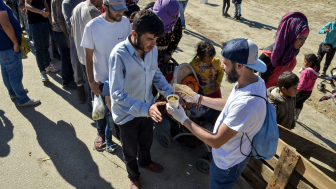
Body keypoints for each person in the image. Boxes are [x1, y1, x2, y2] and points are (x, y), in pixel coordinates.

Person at [167, 38, 267, 189]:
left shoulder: (247, 104)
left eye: (225, 63)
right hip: (232, 153)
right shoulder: (254, 80)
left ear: (239, 65)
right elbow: (231, 104)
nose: (221, 66)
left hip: (227, 162)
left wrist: (182, 118)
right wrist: (198, 98)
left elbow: (215, 141)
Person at [109, 9, 174, 189]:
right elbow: (117, 94)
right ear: (135, 34)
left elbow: (155, 73)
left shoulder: (151, 50)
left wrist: (169, 93)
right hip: (127, 113)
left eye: (156, 40)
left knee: (146, 141)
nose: (154, 44)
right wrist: (147, 109)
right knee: (129, 150)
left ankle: (145, 162)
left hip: (147, 107)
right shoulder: (118, 55)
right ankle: (134, 176)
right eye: (149, 39)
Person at [81, 0, 130, 151]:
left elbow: (130, 48)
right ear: (105, 8)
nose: (120, 13)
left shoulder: (125, 22)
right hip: (101, 79)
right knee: (101, 110)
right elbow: (88, 57)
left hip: (122, 79)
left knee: (119, 110)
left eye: (122, 9)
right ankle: (100, 134)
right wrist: (91, 81)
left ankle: (117, 133)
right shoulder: (92, 27)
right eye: (117, 10)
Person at [0, 0, 40, 106]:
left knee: (6, 70)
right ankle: (22, 99)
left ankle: (13, 92)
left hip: (3, 46)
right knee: (14, 73)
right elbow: (6, 25)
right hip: (7, 45)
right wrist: (15, 43)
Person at [259, 12, 309, 88]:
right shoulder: (270, 54)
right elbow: (250, 73)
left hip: (277, 92)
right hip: (263, 93)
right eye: (301, 38)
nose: (303, 42)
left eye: (305, 38)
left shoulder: (293, 51)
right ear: (290, 35)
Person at [70, 0, 102, 108]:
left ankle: (90, 105)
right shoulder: (93, 11)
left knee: (90, 83)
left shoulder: (76, 8)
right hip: (93, 57)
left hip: (81, 54)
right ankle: (95, 109)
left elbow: (73, 32)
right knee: (96, 87)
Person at [26, 0, 60, 82]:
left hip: (44, 22)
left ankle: (47, 65)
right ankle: (42, 71)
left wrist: (50, 19)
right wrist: (40, 12)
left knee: (46, 46)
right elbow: (27, 5)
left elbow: (45, 4)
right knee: (39, 48)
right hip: (35, 23)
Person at [62, 0, 86, 103]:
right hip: (75, 36)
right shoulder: (67, 3)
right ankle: (80, 86)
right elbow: (69, 24)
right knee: (76, 62)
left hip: (89, 34)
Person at [51, 0, 76, 89]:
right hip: (62, 32)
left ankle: (72, 78)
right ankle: (66, 81)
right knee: (66, 58)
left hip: (65, 31)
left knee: (70, 56)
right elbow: (60, 19)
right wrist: (68, 37)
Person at [295, 54, 321, 120]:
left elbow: (302, 85)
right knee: (300, 103)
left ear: (310, 63)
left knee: (293, 102)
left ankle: (290, 115)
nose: (303, 63)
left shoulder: (306, 72)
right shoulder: (315, 71)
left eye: (305, 61)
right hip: (308, 93)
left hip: (300, 92)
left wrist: (295, 91)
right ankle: (296, 116)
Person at [101, 80, 117, 153]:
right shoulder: (108, 83)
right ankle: (108, 141)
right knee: (110, 126)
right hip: (111, 109)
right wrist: (112, 112)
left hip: (121, 109)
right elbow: (108, 100)